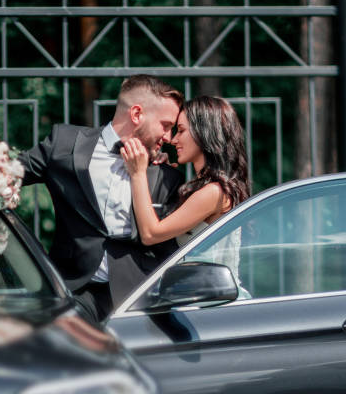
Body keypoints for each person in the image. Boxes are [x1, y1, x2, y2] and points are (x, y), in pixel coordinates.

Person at [17, 74, 185, 323]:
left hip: (138, 299)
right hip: (71, 292)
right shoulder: (64, 144)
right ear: (137, 114)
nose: (169, 138)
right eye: (166, 125)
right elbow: (9, 172)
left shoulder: (166, 176)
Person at [121, 95, 251, 295]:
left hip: (213, 304)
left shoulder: (214, 192)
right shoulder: (210, 189)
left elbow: (150, 234)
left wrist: (137, 174)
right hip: (203, 297)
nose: (172, 140)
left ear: (204, 132)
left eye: (181, 131)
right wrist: (161, 174)